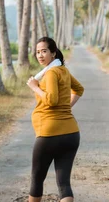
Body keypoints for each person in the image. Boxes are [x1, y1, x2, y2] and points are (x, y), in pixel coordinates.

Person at [26, 37, 84, 202]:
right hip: (71, 133)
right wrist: (66, 108)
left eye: (44, 51)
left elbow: (51, 100)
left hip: (49, 133)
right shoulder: (63, 70)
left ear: (53, 52)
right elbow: (79, 89)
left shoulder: (51, 73)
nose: (40, 55)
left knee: (37, 178)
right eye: (38, 52)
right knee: (64, 183)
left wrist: (35, 87)